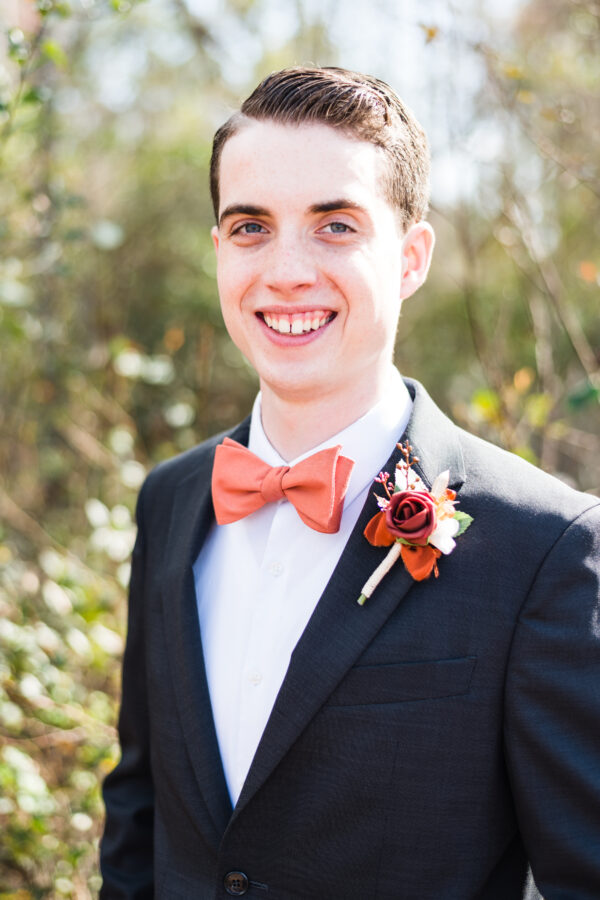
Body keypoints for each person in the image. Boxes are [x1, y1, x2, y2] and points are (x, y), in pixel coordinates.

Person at [99, 67, 600, 900]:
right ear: (219, 252)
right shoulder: (172, 500)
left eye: (335, 225)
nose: (286, 271)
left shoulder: (547, 546)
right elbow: (139, 815)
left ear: (410, 258)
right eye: (252, 227)